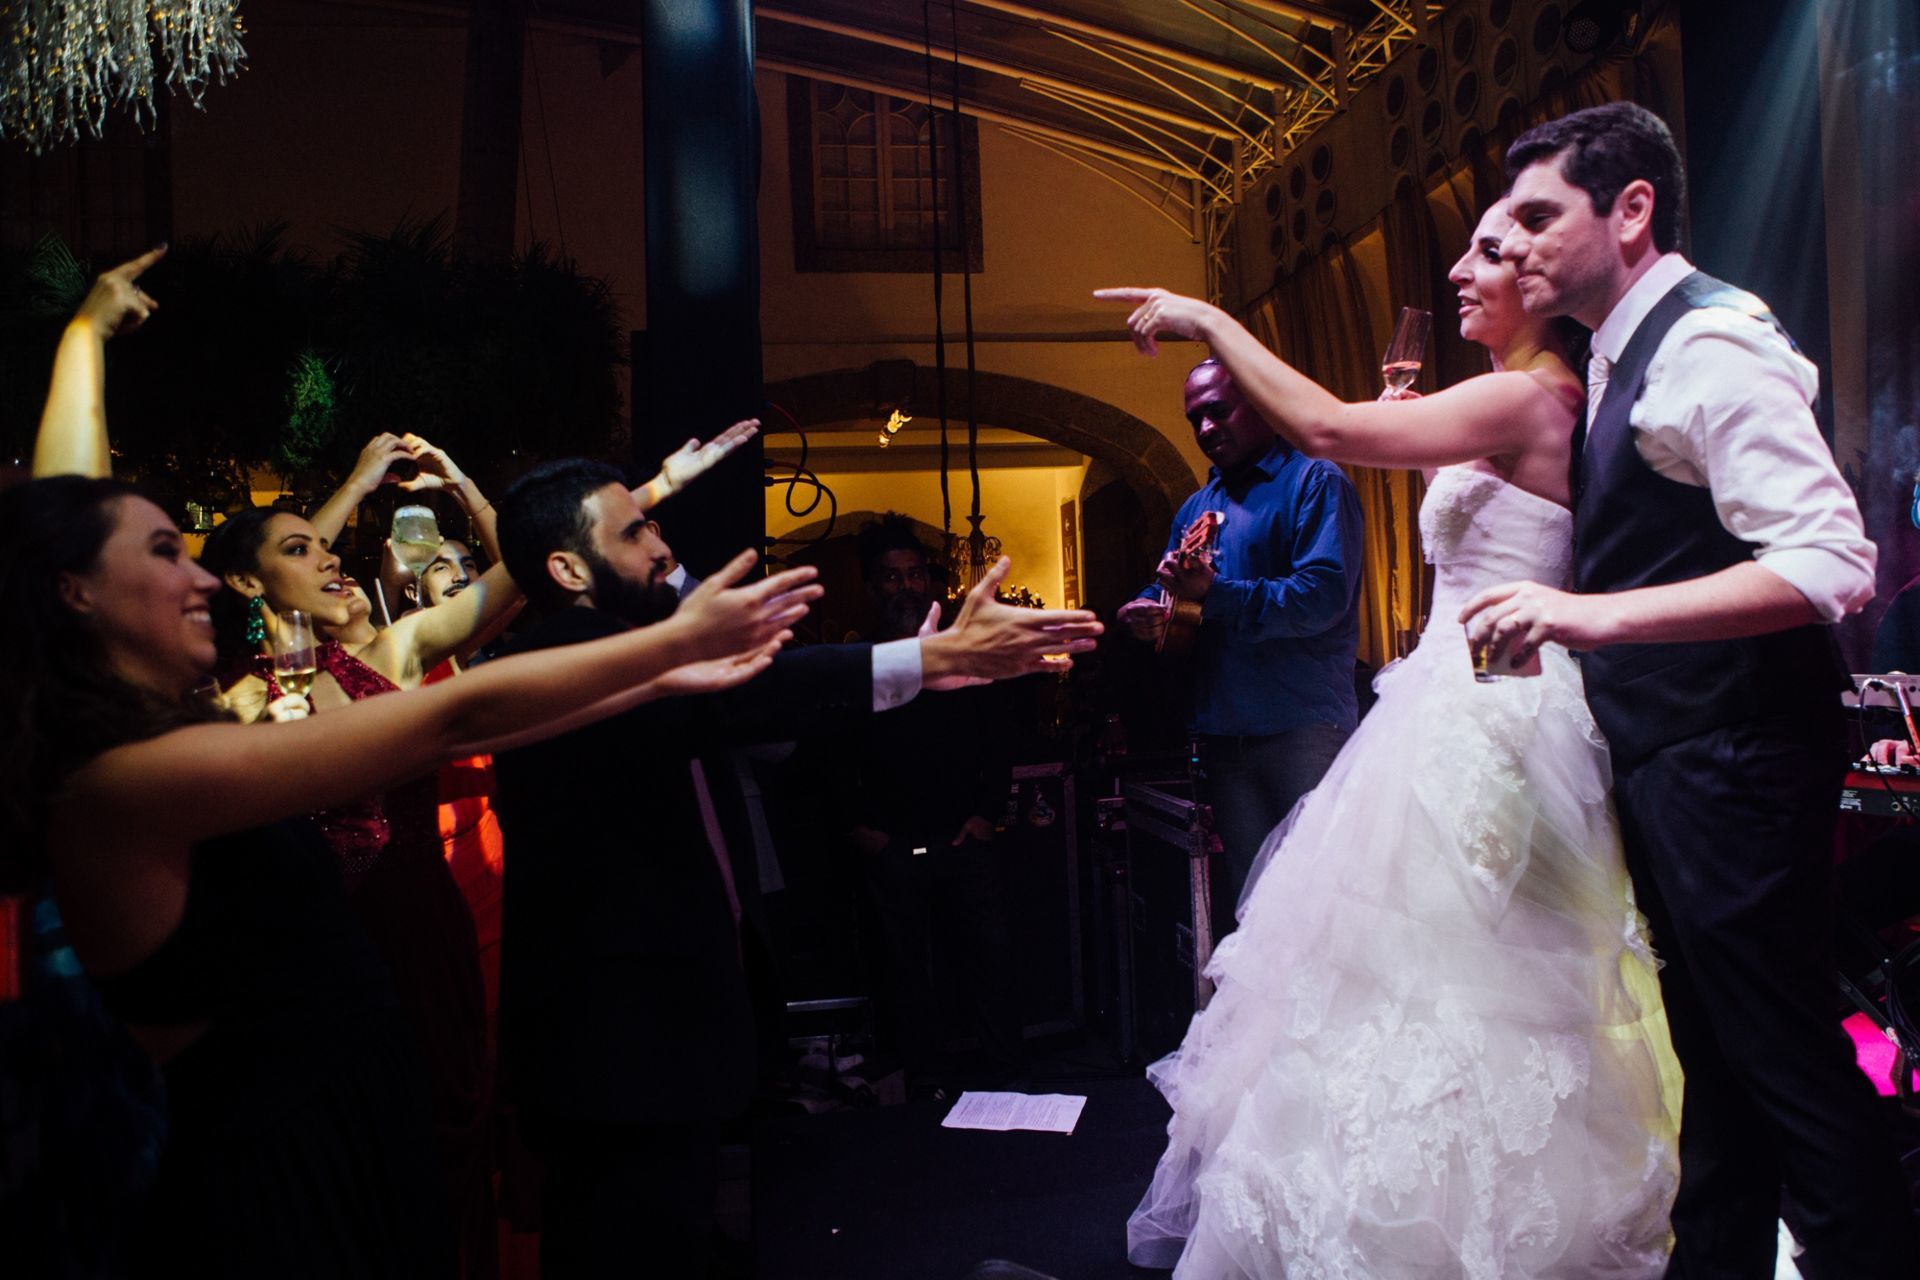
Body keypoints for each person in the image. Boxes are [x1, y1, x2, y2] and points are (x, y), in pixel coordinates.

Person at [5, 248, 822, 1275]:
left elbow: (475, 709)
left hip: (360, 1077)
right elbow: (454, 719)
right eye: (168, 553)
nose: (201, 576)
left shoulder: (173, 726)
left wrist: (86, 338)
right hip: (270, 1164)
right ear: (75, 594)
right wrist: (668, 648)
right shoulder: (126, 778)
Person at [1097, 194, 1680, 1276]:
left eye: (1485, 255)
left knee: (1466, 970)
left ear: (1539, 284)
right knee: (1414, 969)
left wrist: (1208, 317)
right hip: (1455, 693)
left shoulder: (1522, 395)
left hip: (1492, 711)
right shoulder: (1518, 400)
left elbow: (1326, 429)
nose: (1458, 272)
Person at [1459, 102, 1916, 1278]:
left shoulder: (1707, 339)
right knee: (1717, 1070)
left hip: (1738, 753)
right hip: (1684, 752)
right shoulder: (1619, 352)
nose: (1515, 245)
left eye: (1539, 217)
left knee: (1785, 1064)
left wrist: (1586, 615)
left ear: (1632, 209)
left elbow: (1830, 562)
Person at [486, 461, 1102, 1277]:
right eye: (634, 531)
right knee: (622, 1239)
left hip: (652, 1038)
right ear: (568, 569)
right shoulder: (566, 656)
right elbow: (751, 690)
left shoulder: (622, 648)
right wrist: (924, 662)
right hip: (614, 1049)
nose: (662, 547)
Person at [1113, 358, 1364, 930]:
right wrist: (1144, 612)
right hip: (1224, 738)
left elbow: (1321, 599)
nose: (1205, 429)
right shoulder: (1196, 507)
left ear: (1260, 404)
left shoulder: (1315, 481)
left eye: (1218, 411)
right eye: (1194, 419)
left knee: (1322, 904)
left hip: (1302, 728)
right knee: (1257, 914)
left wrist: (1217, 596)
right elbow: (1173, 590)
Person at [835, 514, 1021, 1094]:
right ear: (872, 586)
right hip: (892, 843)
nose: (907, 587)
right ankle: (924, 1089)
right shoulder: (858, 661)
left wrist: (987, 813)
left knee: (991, 959)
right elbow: (833, 752)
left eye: (915, 574)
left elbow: (999, 737)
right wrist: (859, 827)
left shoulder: (960, 652)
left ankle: (1007, 1084)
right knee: (906, 970)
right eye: (892, 577)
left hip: (964, 838)